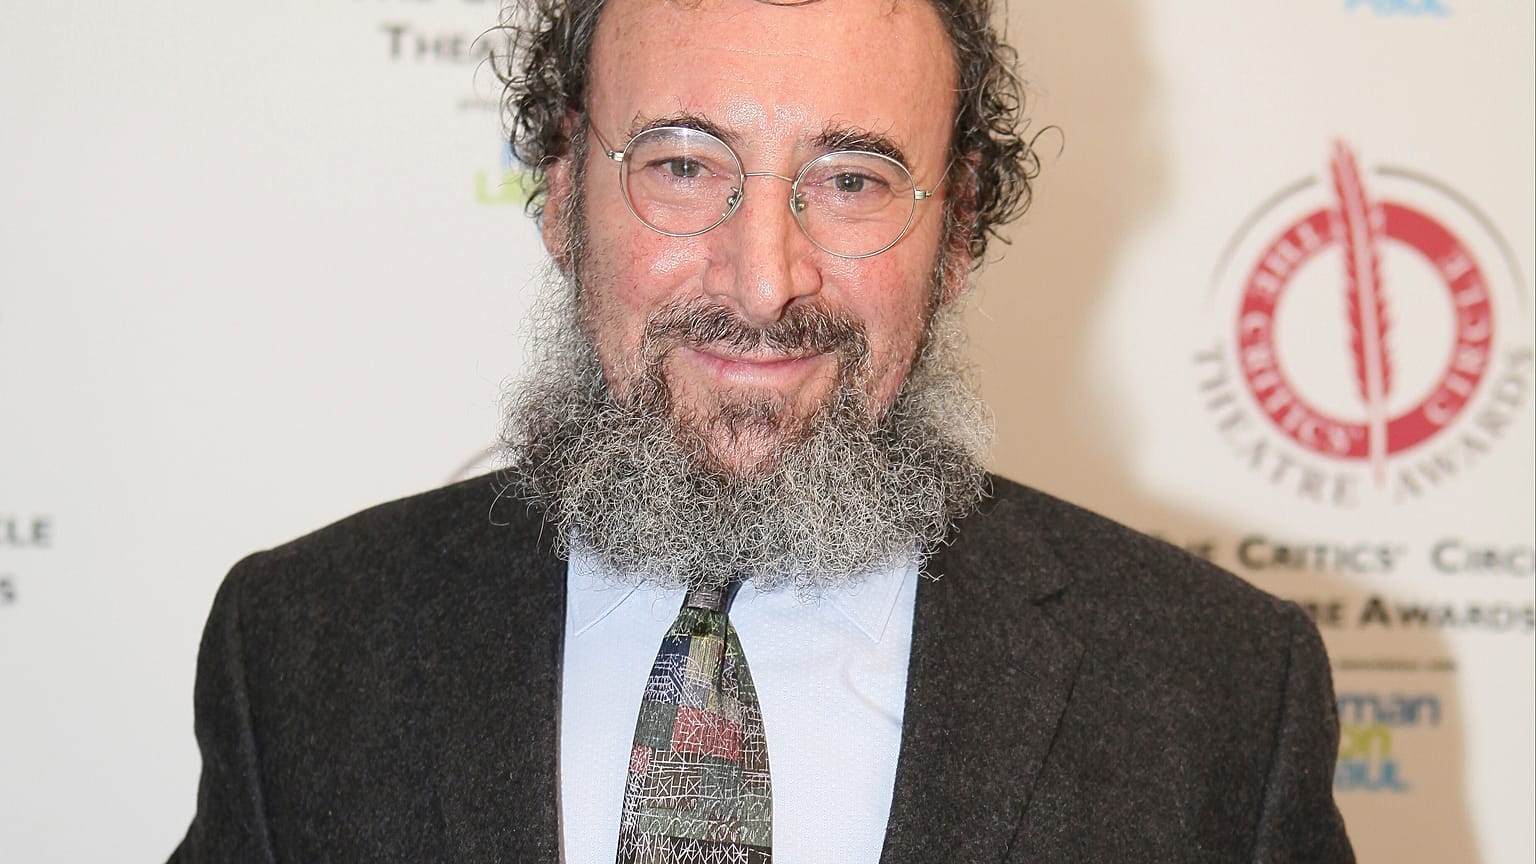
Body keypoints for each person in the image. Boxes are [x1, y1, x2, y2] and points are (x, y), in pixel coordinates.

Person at [170, 0, 1355, 860]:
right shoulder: (303, 650)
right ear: (563, 187)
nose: (765, 279)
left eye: (852, 180)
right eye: (685, 166)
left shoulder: (1219, 693)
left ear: (957, 228)